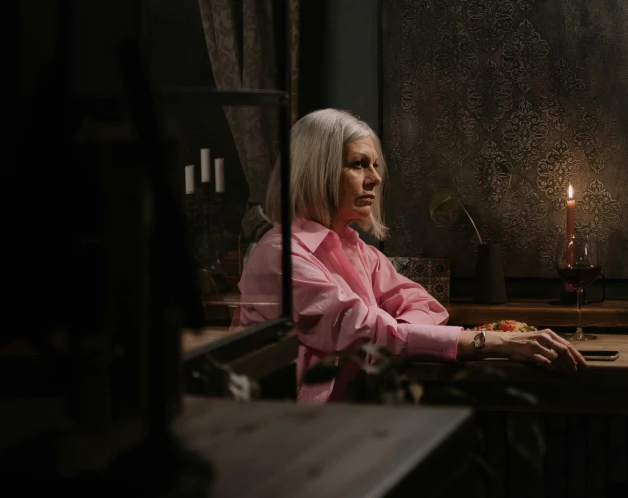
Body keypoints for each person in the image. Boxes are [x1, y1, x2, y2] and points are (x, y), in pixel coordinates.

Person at [232, 109, 586, 404]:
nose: (375, 178)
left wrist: (394, 335)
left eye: (374, 165)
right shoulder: (280, 256)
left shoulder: (356, 249)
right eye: (358, 164)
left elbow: (423, 305)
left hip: (344, 423)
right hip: (284, 438)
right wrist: (488, 341)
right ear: (316, 171)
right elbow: (364, 331)